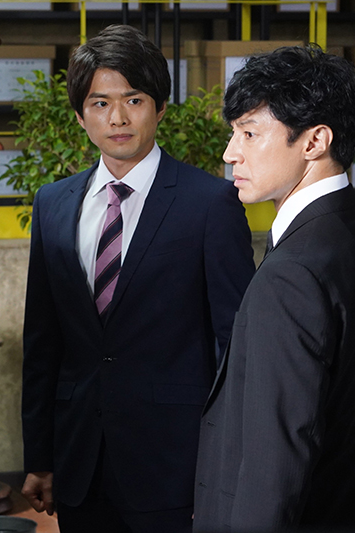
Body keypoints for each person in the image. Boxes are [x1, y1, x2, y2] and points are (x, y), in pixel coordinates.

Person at [20, 24, 255, 533]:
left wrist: (226, 467)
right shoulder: (53, 204)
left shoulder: (210, 204)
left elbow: (234, 346)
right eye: (100, 103)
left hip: (175, 465)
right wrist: (39, 457)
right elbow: (42, 342)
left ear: (160, 107)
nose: (118, 118)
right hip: (80, 461)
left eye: (134, 100)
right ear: (80, 115)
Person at [193, 45, 355, 532]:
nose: (230, 153)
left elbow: (275, 463)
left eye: (250, 133)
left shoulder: (292, 273)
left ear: (315, 140)